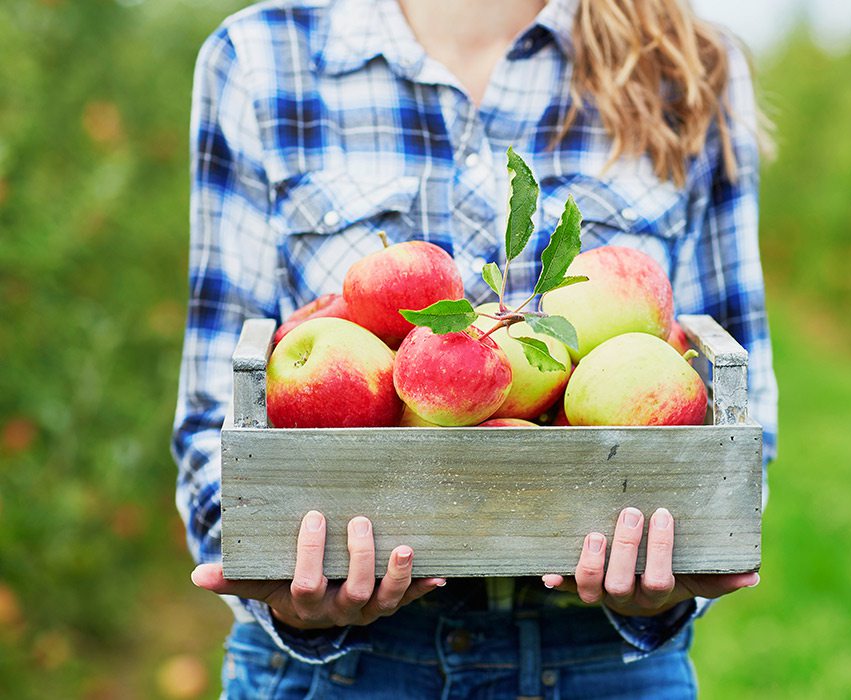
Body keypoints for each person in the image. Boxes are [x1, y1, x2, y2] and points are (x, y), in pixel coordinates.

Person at [172, 0, 778, 696]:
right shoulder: (261, 57)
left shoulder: (686, 63)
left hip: (599, 664)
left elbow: (738, 412)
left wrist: (673, 576)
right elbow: (213, 415)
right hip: (337, 670)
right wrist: (282, 584)